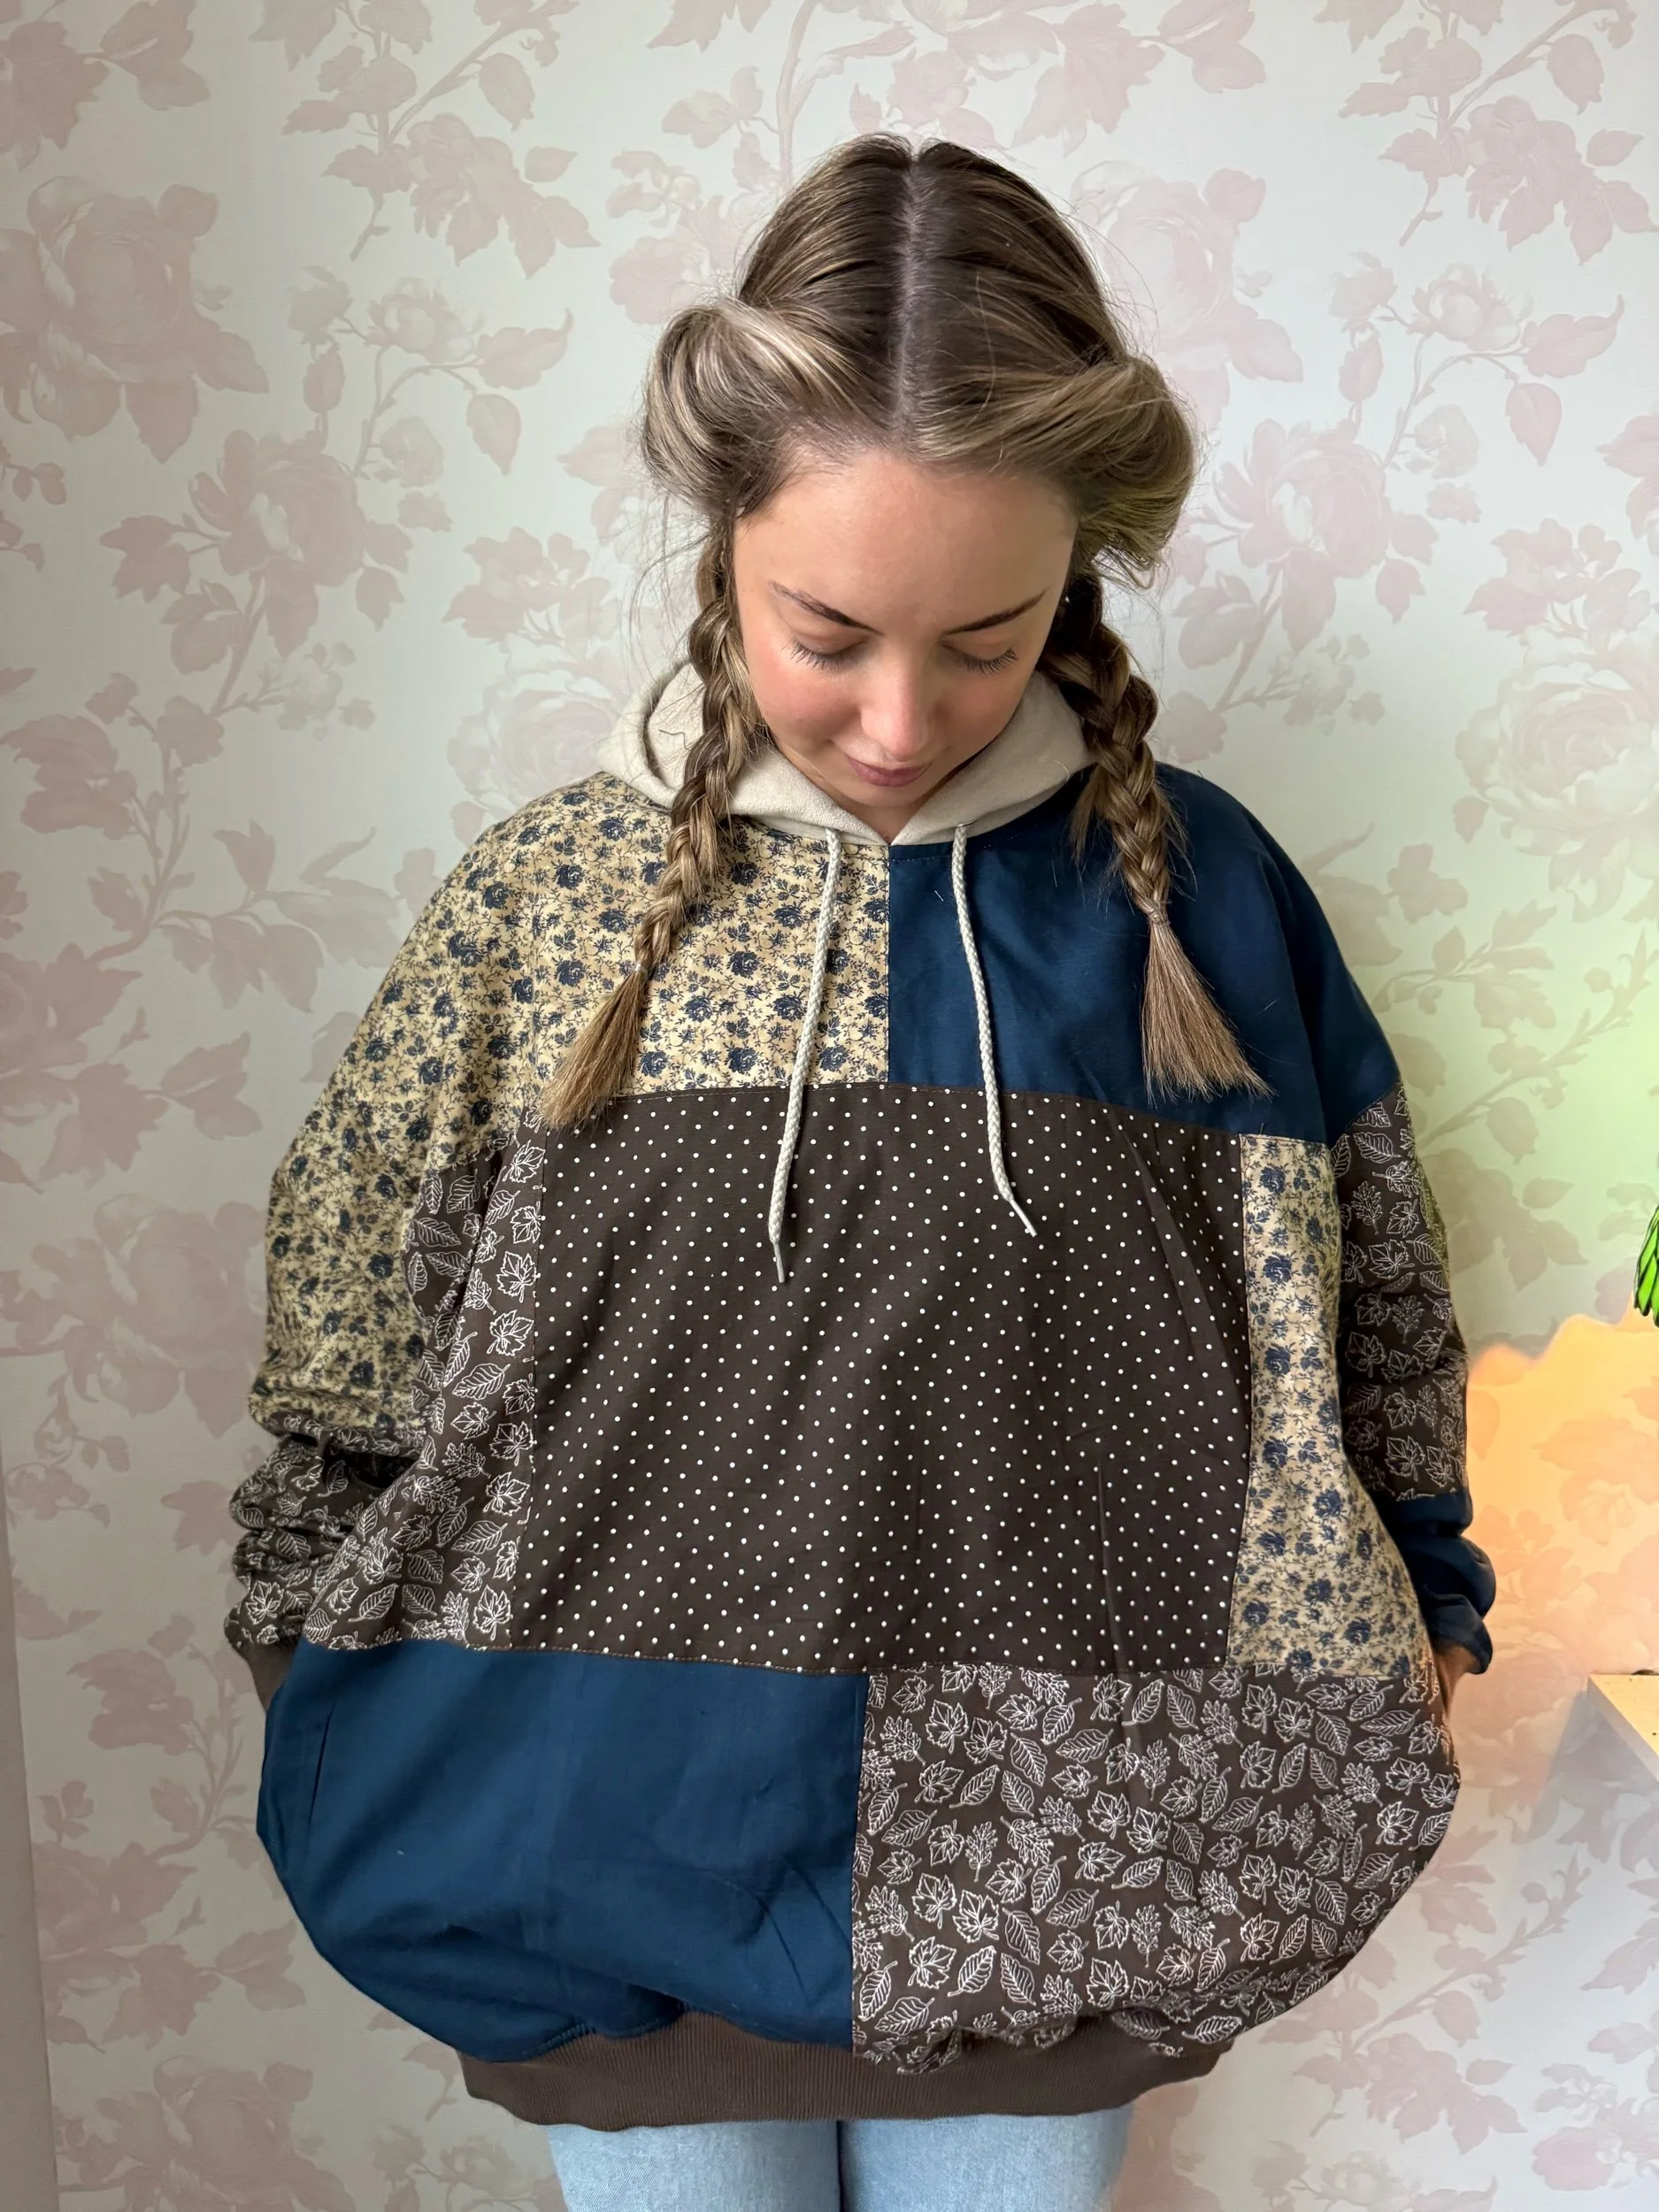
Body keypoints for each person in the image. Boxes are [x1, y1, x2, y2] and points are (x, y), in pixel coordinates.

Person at [223, 135, 1496, 2212]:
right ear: (721, 536)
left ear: (1080, 571)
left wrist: (1429, 1591)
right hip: (584, 1856)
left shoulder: (1204, 902)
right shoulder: (544, 901)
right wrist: (304, 1642)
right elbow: (350, 1337)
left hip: (1083, 1868)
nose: (901, 720)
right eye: (827, 632)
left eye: (987, 637)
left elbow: (1372, 1303)